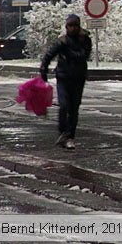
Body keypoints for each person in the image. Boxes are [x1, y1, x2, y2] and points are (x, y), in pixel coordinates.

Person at [40, 14, 92, 150]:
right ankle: (63, 132)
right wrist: (43, 69)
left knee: (74, 109)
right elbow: (49, 55)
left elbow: (84, 55)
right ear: (66, 27)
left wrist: (69, 53)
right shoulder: (62, 41)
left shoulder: (84, 40)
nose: (72, 28)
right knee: (63, 106)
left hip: (78, 78)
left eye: (75, 25)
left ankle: (69, 136)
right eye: (70, 26)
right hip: (63, 77)